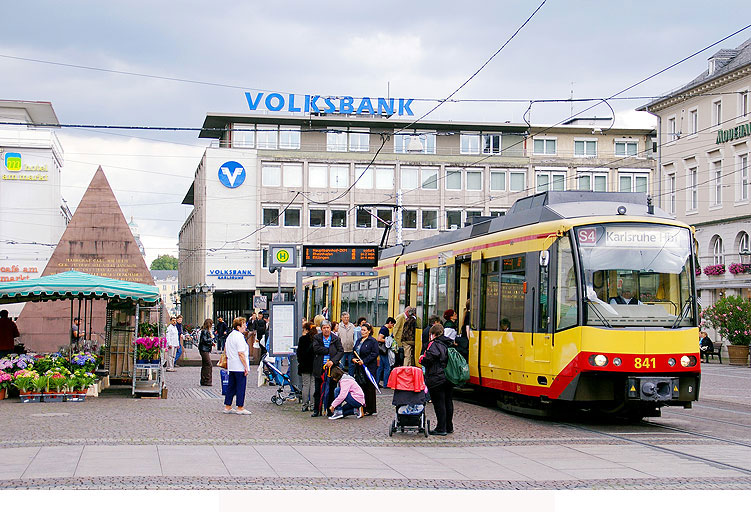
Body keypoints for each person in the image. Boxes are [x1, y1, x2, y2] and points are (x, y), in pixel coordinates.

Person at [420, 323, 454, 436]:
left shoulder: (435, 344)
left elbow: (429, 358)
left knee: (439, 403)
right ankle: (449, 426)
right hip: (448, 377)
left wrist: (422, 359)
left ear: (433, 334)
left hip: (436, 377)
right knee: (448, 401)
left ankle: (441, 428)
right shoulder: (449, 343)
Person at [311, 320, 344, 417]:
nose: (326, 330)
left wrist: (333, 361)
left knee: (332, 389)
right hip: (320, 367)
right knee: (318, 390)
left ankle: (330, 409)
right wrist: (328, 350)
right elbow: (316, 348)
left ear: (330, 328)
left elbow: (340, 351)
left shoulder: (336, 339)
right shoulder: (317, 338)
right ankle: (317, 409)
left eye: (328, 328)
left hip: (332, 368)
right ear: (321, 329)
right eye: (324, 328)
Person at [223, 317, 252, 415]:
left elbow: (226, 350)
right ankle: (240, 407)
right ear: (239, 327)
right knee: (240, 387)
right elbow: (241, 353)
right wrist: (246, 367)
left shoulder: (230, 336)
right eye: (244, 325)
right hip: (239, 366)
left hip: (232, 365)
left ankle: (228, 405)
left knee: (231, 386)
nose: (245, 327)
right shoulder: (239, 337)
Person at [353, 323, 378, 416]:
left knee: (369, 388)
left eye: (364, 330)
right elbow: (354, 351)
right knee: (360, 387)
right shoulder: (359, 340)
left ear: (369, 331)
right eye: (361, 330)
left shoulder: (372, 341)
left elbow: (374, 353)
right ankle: (362, 407)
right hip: (359, 367)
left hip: (369, 367)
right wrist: (353, 359)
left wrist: (364, 361)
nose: (362, 332)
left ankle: (370, 408)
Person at [296, 322, 316, 411]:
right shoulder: (317, 339)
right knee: (313, 385)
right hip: (314, 365)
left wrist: (300, 362)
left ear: (307, 330)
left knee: (306, 385)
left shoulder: (302, 339)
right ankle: (312, 405)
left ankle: (304, 405)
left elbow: (299, 353)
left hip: (304, 365)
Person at [376, 317, 396, 388]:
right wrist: (388, 340)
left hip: (382, 351)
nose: (392, 326)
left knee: (381, 367)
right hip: (383, 351)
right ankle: (386, 384)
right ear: (390, 322)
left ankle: (376, 382)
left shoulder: (384, 328)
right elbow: (379, 339)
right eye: (392, 324)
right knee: (387, 367)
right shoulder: (384, 329)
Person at [198, 318, 215, 386]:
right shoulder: (205, 331)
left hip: (204, 349)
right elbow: (204, 340)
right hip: (204, 350)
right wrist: (211, 339)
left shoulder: (204, 331)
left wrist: (211, 342)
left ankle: (204, 380)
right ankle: (207, 380)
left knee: (205, 365)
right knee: (209, 364)